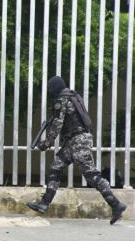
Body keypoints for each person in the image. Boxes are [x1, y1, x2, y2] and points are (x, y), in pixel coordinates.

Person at [27, 76, 127, 225]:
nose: (49, 91)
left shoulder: (62, 100)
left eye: (50, 88)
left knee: (92, 175)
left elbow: (57, 124)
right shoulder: (73, 96)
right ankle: (44, 203)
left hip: (78, 141)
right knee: (56, 166)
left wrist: (47, 142)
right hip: (73, 141)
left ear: (55, 87)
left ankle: (116, 204)